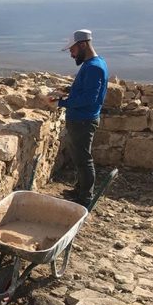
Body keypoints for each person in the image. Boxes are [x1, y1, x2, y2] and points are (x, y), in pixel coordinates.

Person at [50, 29, 109, 208]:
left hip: (83, 120)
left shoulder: (94, 67)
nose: (71, 54)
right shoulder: (94, 63)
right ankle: (79, 190)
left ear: (83, 45)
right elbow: (86, 89)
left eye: (72, 49)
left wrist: (60, 103)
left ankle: (85, 198)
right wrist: (67, 91)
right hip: (82, 119)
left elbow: (89, 98)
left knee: (84, 160)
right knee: (79, 157)